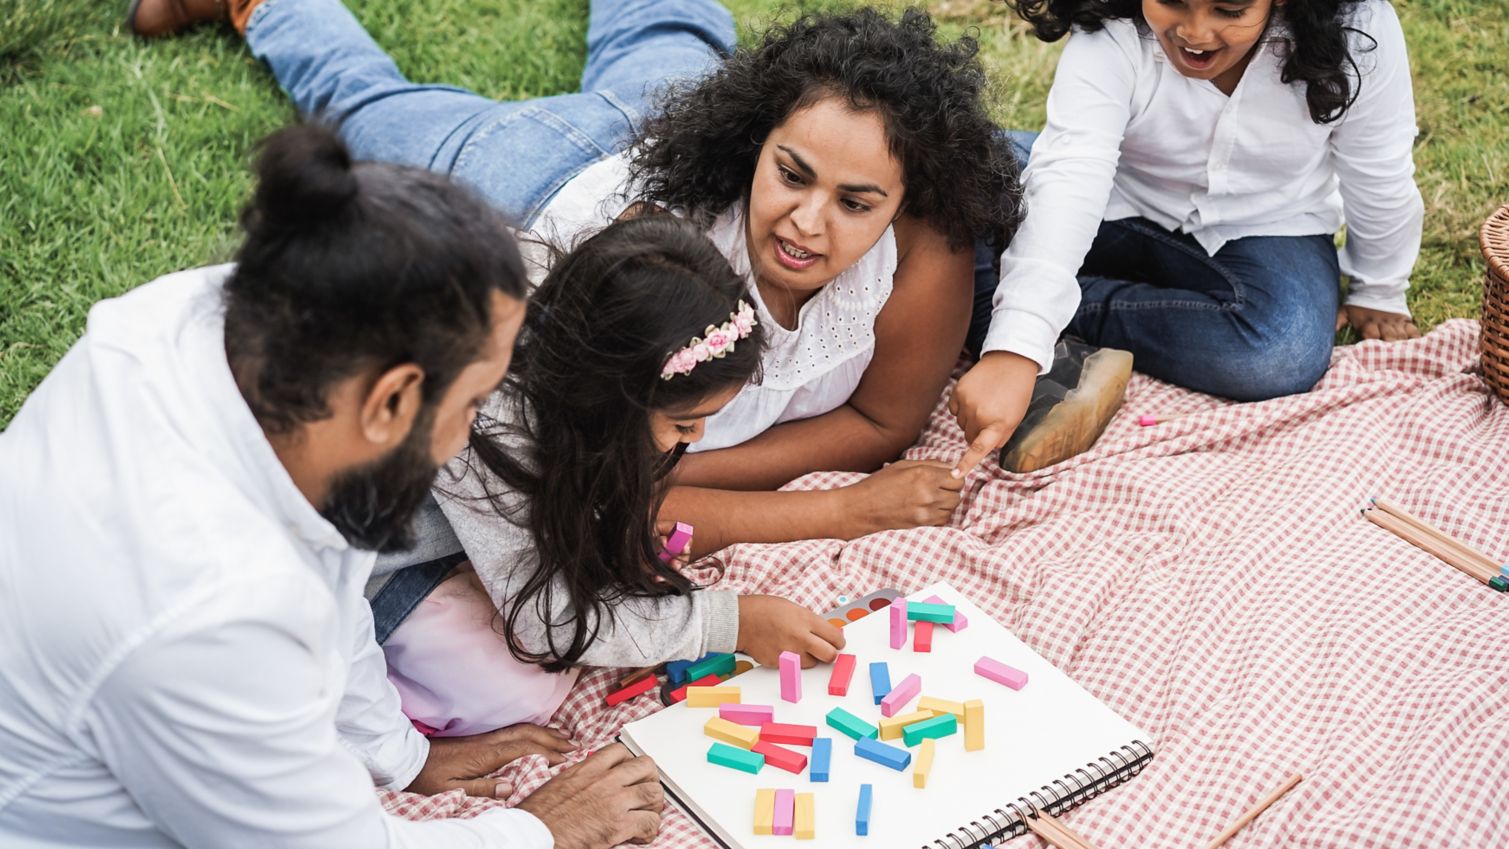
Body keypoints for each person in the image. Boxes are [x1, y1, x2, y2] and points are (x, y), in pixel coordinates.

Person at [128, 0, 1028, 551]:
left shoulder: (927, 248)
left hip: (666, 130)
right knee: (367, 109)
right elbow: (605, 499)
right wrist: (796, 501)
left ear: (905, 198)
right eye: (790, 173)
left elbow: (881, 418)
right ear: (755, 136)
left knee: (668, 30)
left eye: (855, 201)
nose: (806, 221)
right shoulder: (647, 264)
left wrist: (680, 475)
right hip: (533, 174)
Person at [0, 124, 662, 849]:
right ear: (389, 403)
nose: (471, 432)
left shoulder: (227, 327)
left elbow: (333, 568)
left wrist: (401, 755)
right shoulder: (211, 610)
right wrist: (541, 828)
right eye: (473, 404)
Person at [373, 215, 848, 738]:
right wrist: (731, 623)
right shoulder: (484, 421)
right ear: (612, 398)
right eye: (682, 423)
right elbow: (544, 624)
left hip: (448, 514)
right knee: (515, 687)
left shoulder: (582, 315)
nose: (690, 441)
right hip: (363, 575)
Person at [949, 0, 1425, 475]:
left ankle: (1013, 315)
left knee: (1283, 350)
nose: (1195, 32)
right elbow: (1071, 175)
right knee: (951, 171)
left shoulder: (1359, 33)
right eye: (1172, 2)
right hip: (1114, 199)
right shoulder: (1113, 27)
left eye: (1229, 10)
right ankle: (1025, 331)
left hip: (1263, 226)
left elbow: (1379, 174)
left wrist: (1379, 287)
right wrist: (1014, 346)